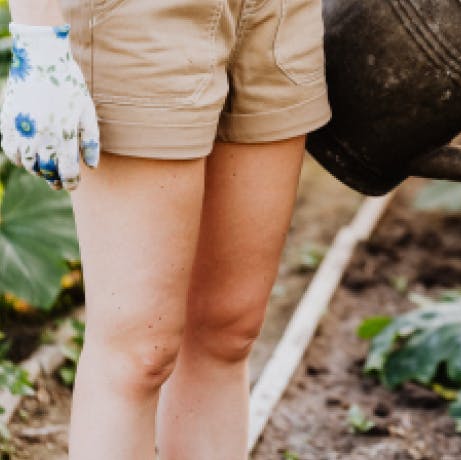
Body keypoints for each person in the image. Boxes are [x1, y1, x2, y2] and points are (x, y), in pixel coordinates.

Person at [0, 0, 331, 458]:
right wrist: (37, 37)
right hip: (138, 18)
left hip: (279, 11)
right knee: (138, 355)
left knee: (229, 330)